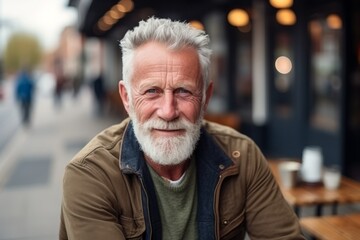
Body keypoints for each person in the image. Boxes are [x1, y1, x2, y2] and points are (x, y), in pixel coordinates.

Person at [60, 17, 304, 240]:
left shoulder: (242, 156)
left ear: (206, 97)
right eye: (152, 91)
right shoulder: (91, 174)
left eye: (184, 91)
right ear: (127, 97)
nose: (168, 111)